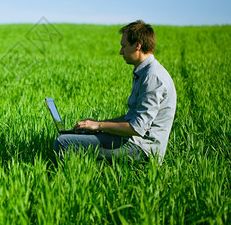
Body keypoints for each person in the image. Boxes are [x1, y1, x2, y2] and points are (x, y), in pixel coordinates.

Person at [53, 20, 176, 164]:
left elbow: (137, 128)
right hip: (133, 141)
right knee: (81, 136)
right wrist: (96, 125)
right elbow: (132, 118)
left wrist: (99, 126)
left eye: (124, 46)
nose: (120, 52)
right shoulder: (145, 72)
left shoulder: (152, 77)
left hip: (142, 149)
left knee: (63, 142)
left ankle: (65, 182)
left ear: (137, 46)